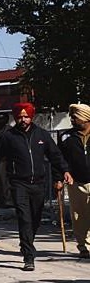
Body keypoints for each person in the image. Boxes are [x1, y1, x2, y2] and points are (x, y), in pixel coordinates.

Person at [0, 102, 72, 271]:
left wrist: (62, 173)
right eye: (19, 117)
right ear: (15, 118)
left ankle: (27, 241)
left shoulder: (42, 135)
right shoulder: (8, 137)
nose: (23, 119)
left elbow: (55, 157)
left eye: (26, 116)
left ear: (31, 117)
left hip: (39, 183)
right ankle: (28, 255)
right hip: (18, 183)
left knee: (35, 217)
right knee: (24, 218)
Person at [60, 103, 90, 258]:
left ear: (85, 118)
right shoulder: (66, 137)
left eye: (75, 117)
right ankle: (83, 246)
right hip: (76, 182)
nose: (72, 119)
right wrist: (63, 173)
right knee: (79, 216)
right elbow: (60, 159)